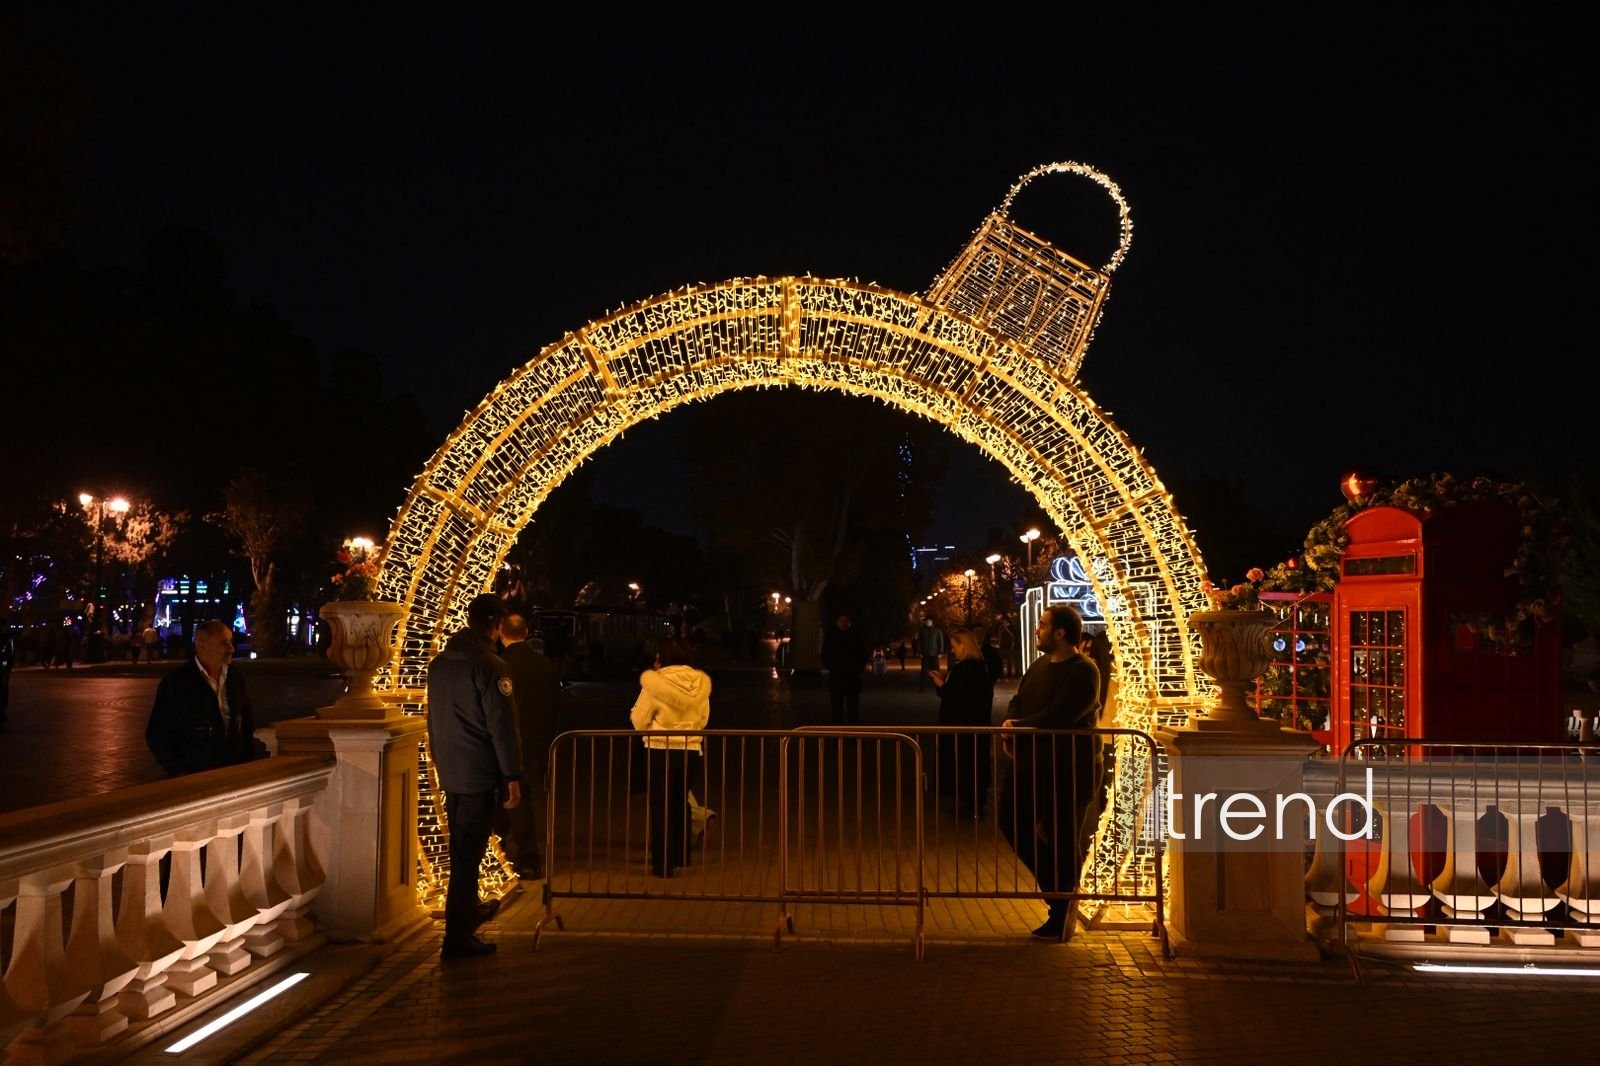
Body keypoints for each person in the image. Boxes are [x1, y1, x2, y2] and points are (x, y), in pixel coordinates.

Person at [427, 593, 523, 961]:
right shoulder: (491, 666)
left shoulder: (439, 665)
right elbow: (502, 726)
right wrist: (511, 773)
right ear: (497, 623)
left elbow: (433, 720)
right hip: (479, 772)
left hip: (451, 770)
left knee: (463, 851)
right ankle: (458, 936)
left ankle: (467, 912)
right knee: (468, 856)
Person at [998, 604, 1102, 941]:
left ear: (1060, 633)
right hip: (1030, 763)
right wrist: (1011, 722)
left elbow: (1060, 715)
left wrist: (1018, 727)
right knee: (1011, 821)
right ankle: (1059, 892)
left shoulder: (1084, 671)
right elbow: (1020, 699)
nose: (1037, 630)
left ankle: (1061, 909)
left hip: (1067, 767)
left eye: (1042, 625)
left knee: (1061, 836)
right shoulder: (1039, 665)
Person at [629, 637, 711, 877]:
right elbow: (704, 718)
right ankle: (681, 854)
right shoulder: (699, 682)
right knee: (680, 800)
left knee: (660, 804)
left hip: (659, 748)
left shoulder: (655, 682)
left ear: (663, 658)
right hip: (690, 749)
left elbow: (639, 720)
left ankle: (663, 863)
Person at [144, 619, 258, 776]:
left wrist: (247, 761)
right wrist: (178, 770)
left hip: (234, 772)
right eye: (223, 643)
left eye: (230, 641)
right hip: (196, 775)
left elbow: (246, 722)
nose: (231, 648)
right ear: (201, 645)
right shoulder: (176, 683)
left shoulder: (236, 678)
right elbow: (157, 734)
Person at [495, 612, 561, 881]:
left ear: (501, 633)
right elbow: (555, 705)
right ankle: (514, 852)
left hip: (509, 742)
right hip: (538, 741)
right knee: (520, 797)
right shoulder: (545, 665)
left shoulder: (500, 665)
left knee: (512, 798)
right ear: (526, 632)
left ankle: (523, 857)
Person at [929, 627, 995, 817]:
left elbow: (956, 696)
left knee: (967, 765)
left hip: (964, 727)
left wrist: (941, 685)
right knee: (972, 765)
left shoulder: (965, 669)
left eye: (954, 646)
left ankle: (973, 804)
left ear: (963, 646)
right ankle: (973, 802)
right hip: (974, 726)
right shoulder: (979, 668)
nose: (952, 650)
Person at [819, 612, 870, 724]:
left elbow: (864, 655)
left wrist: (857, 669)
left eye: (846, 621)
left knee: (852, 709)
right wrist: (833, 668)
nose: (844, 623)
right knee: (837, 709)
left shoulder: (855, 636)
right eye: (841, 621)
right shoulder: (832, 637)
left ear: (850, 622)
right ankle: (838, 732)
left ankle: (851, 731)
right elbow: (824, 655)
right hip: (838, 677)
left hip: (851, 678)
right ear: (837, 622)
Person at [916, 617, 946, 692]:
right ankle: (922, 687)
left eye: (929, 620)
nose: (927, 622)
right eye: (926, 621)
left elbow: (940, 641)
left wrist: (940, 652)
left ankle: (939, 686)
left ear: (932, 621)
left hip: (934, 654)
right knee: (924, 671)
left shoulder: (937, 630)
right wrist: (920, 652)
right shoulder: (922, 631)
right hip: (925, 654)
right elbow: (919, 642)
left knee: (936, 671)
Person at [0, 616, 15, 728]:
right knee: (3, 692)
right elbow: (11, 653)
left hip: (3, 667)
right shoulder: (7, 638)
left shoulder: (7, 638)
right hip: (3, 667)